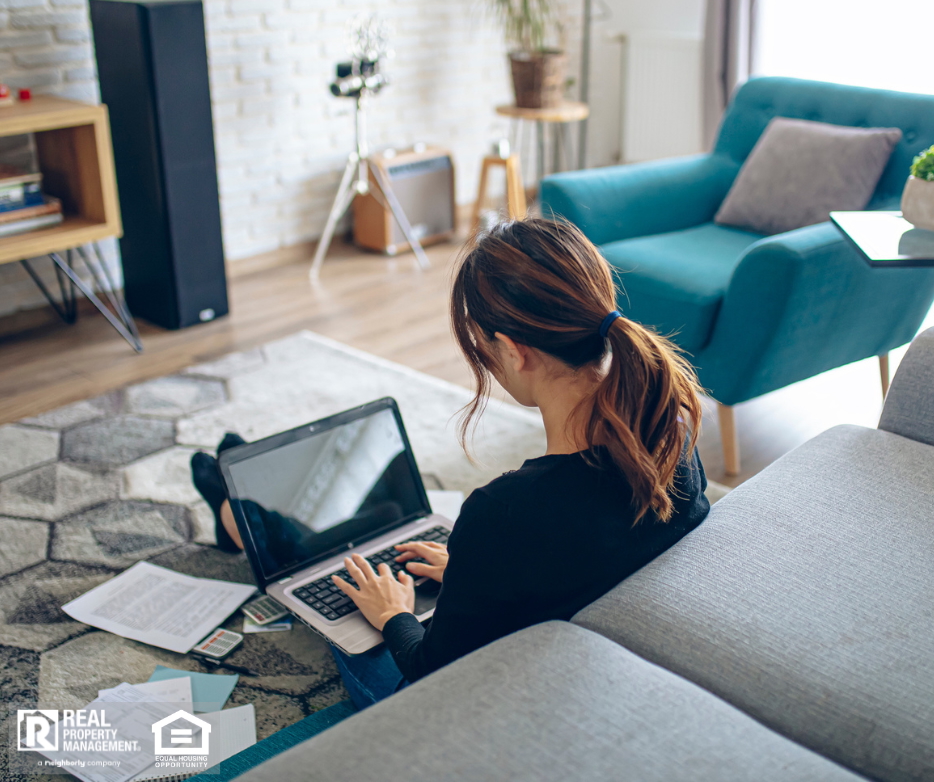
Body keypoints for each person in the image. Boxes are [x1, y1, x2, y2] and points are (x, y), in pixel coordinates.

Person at [191, 217, 710, 711]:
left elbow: (427, 671)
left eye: (482, 347)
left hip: (485, 700)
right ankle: (237, 500)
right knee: (376, 528)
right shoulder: (672, 436)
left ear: (512, 350)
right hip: (581, 651)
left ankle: (233, 508)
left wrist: (393, 614)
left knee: (341, 600)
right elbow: (582, 554)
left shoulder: (504, 512)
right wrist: (474, 573)